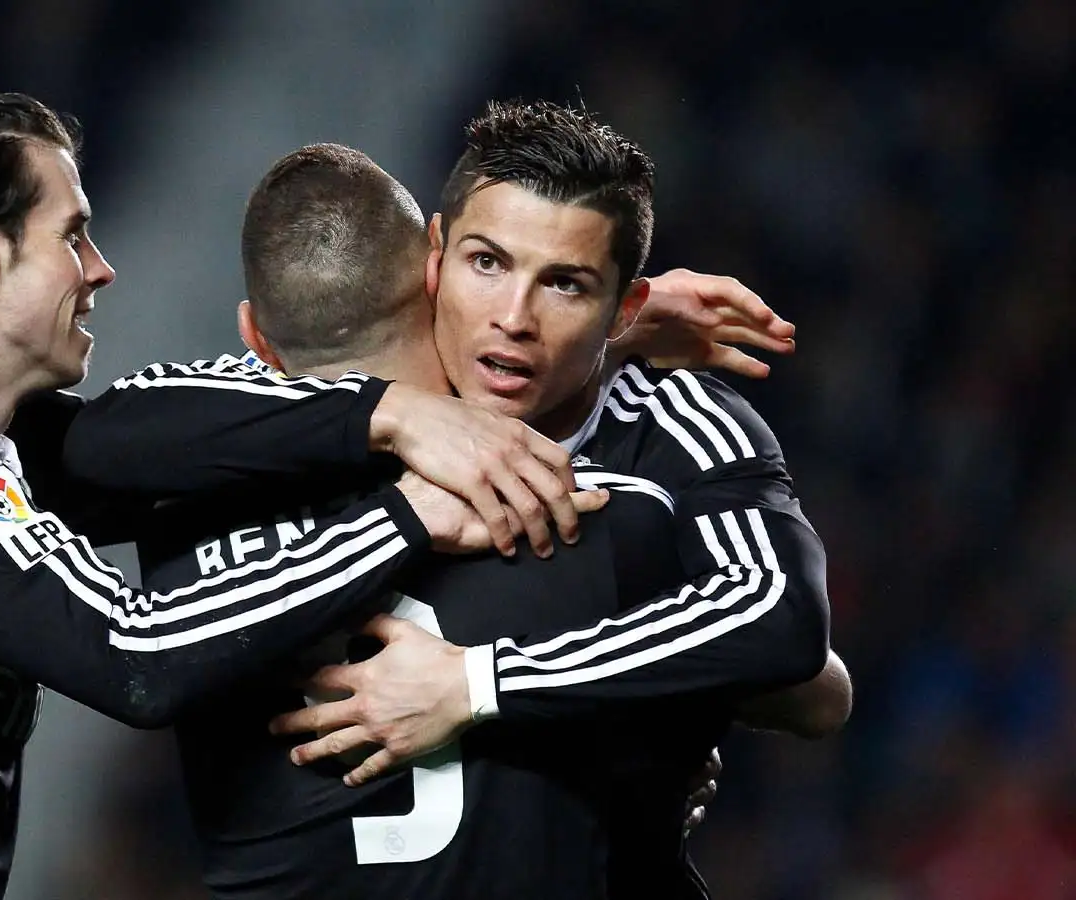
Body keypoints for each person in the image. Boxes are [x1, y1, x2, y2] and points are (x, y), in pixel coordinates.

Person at [0, 56, 589, 900]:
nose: (100, 270)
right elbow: (137, 655)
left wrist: (543, 349)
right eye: (73, 234)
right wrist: (406, 513)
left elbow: (149, 434)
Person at [57, 108, 845, 898]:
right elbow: (100, 443)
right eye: (487, 263)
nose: (514, 318)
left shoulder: (668, 433)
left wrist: (481, 683)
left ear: (624, 305)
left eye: (565, 284)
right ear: (434, 261)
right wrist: (395, 412)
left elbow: (795, 655)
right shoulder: (304, 413)